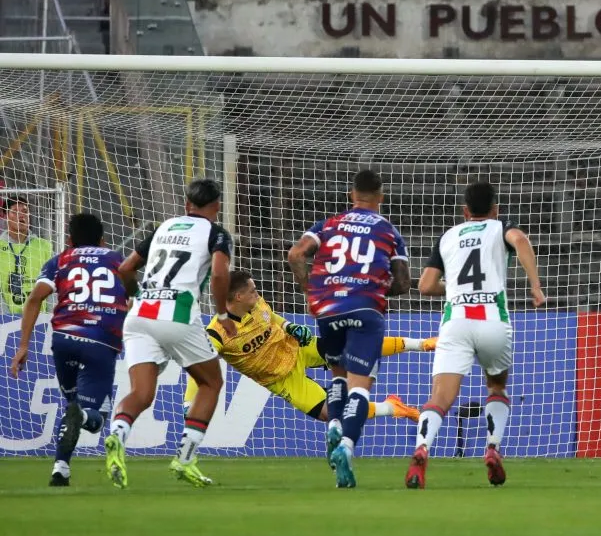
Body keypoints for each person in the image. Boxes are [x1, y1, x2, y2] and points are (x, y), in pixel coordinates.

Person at [405, 181, 545, 489]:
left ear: (465, 211)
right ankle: (493, 447)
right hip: (493, 321)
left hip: (456, 322)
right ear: (495, 209)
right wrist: (534, 285)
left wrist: (454, 290)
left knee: (440, 397)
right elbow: (520, 239)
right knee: (496, 386)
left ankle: (422, 448)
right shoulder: (499, 228)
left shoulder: (448, 236)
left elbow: (425, 286)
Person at [106, 179, 235, 489]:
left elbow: (125, 268)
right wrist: (221, 314)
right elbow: (219, 273)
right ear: (217, 205)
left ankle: (117, 435)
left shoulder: (163, 228)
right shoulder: (216, 234)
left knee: (141, 393)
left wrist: (137, 295)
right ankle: (185, 458)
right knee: (211, 382)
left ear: (186, 203)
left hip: (140, 315)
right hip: (177, 314)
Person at [182, 269, 433, 425]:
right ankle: (392, 407)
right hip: (281, 378)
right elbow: (200, 366)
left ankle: (422, 344)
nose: (258, 295)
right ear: (238, 298)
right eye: (253, 292)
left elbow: (274, 319)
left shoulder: (256, 304)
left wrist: (290, 326)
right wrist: (189, 402)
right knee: (331, 414)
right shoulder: (217, 332)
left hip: (297, 347)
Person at [287, 169, 410, 488]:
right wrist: (378, 287)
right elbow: (403, 283)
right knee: (359, 387)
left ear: (351, 196)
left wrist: (309, 292)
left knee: (337, 376)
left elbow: (296, 254)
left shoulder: (327, 224)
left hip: (327, 310)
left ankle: (333, 428)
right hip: (365, 309)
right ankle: (346, 447)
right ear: (381, 197)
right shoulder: (389, 231)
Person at [8, 213, 129, 486]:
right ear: (103, 239)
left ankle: (60, 468)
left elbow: (35, 298)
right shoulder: (116, 260)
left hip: (63, 340)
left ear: (69, 239)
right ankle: (84, 416)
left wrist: (24, 345)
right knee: (93, 416)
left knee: (72, 405)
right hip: (101, 341)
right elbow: (132, 299)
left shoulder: (60, 260)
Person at [0, 197, 54, 315]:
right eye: (15, 211)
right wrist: (6, 318)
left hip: (40, 320)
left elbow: (52, 285)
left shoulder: (44, 246)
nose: (21, 216)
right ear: (5, 216)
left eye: (25, 211)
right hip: (5, 322)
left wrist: (50, 317)